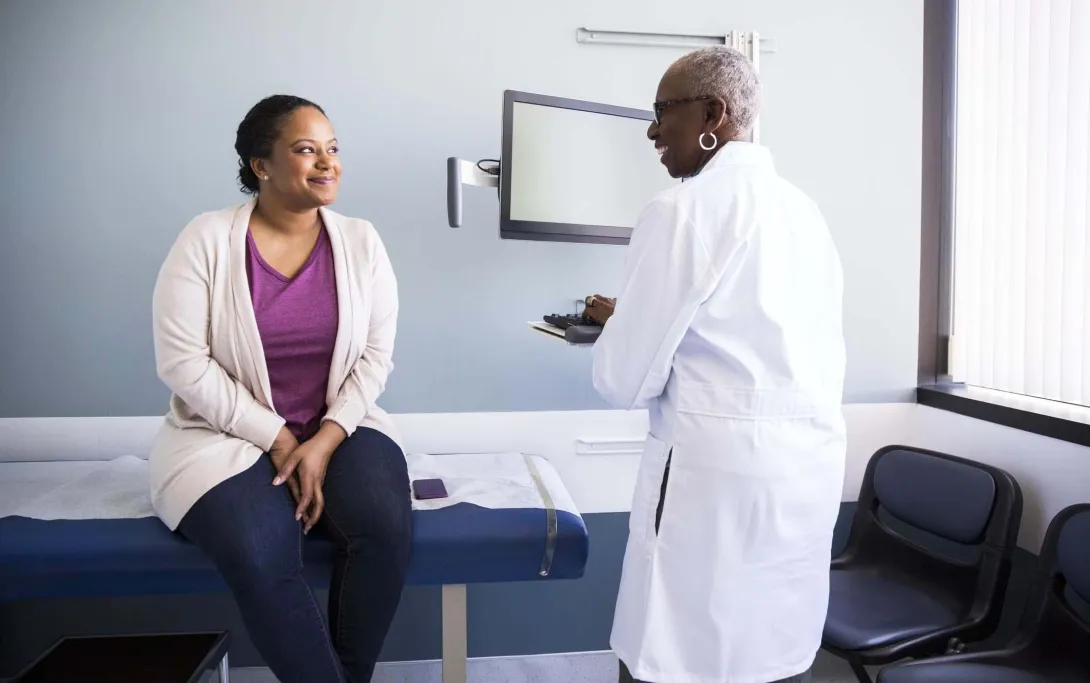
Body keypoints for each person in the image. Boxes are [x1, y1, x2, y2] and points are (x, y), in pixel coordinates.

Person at [586, 46, 846, 683]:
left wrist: (619, 327)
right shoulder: (805, 212)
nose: (652, 131)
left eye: (661, 113)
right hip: (803, 471)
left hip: (712, 476)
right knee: (769, 654)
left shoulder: (681, 210)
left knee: (675, 654)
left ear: (714, 113)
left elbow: (622, 379)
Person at [149, 94, 410, 683]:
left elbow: (375, 357)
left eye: (333, 148)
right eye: (306, 149)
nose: (328, 162)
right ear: (261, 165)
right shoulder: (206, 240)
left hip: (341, 423)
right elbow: (182, 362)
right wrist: (277, 438)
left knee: (385, 526)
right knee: (261, 548)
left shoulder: (362, 241)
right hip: (223, 434)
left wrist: (319, 442)